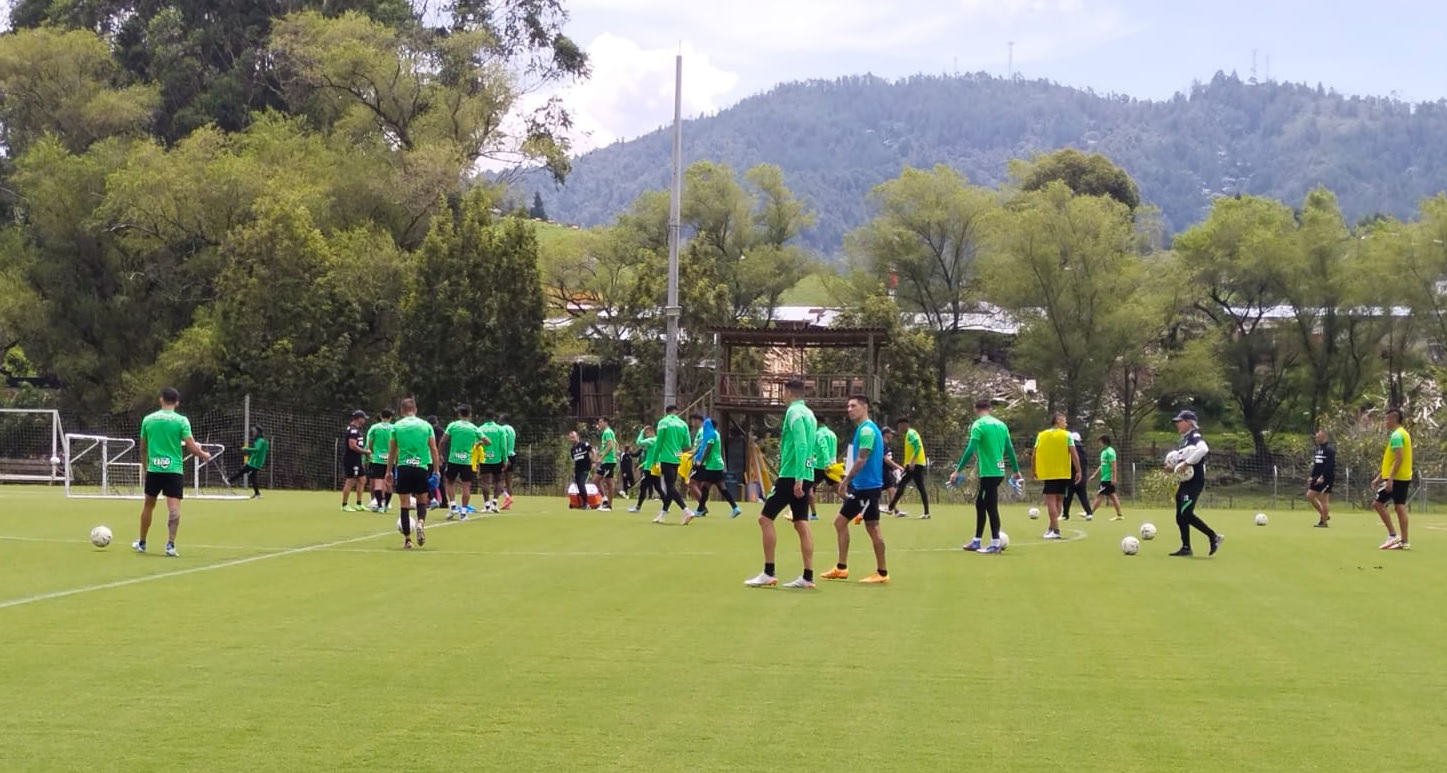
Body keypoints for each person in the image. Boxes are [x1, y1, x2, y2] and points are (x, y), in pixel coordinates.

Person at [745, 379, 818, 588]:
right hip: (805, 472)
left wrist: (798, 478)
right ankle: (807, 576)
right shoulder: (810, 414)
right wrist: (806, 474)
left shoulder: (794, 413)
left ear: (788, 392)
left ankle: (769, 572)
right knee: (801, 523)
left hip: (792, 475)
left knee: (764, 519)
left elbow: (802, 443)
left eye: (783, 392)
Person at [132, 387, 212, 556]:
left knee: (148, 505)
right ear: (177, 402)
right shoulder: (181, 421)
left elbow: (142, 447)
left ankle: (142, 542)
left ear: (161, 400)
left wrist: (145, 467)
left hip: (154, 468)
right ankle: (170, 545)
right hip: (174, 469)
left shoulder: (148, 419)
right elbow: (191, 447)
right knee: (174, 508)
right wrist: (204, 454)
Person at [822, 394, 891, 583]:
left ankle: (882, 572)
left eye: (853, 406)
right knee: (840, 522)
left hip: (868, 488)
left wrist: (844, 482)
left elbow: (862, 459)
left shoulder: (867, 430)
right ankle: (841, 567)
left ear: (864, 407)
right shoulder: (862, 429)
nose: (849, 409)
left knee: (872, 527)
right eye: (848, 406)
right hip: (862, 487)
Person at [949, 398, 1022, 554]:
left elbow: (970, 449)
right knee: (981, 504)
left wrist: (958, 470)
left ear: (976, 409)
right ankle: (976, 540)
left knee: (990, 506)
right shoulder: (1002, 425)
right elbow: (1010, 449)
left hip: (988, 472)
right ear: (990, 409)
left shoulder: (979, 425)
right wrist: (1016, 470)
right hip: (999, 471)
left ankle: (995, 543)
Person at [385, 398, 441, 550]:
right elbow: (434, 449)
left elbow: (392, 451)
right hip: (421, 468)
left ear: (402, 411)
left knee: (404, 505)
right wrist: (436, 470)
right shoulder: (426, 426)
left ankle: (408, 540)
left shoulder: (396, 427)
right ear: (415, 410)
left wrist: (389, 471)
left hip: (403, 468)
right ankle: (420, 523)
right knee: (422, 501)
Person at [1167, 409, 1223, 557]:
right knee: (1180, 515)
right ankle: (1186, 547)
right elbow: (1183, 459)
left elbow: (1203, 449)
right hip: (1185, 482)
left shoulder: (1194, 435)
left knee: (1186, 512)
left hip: (1194, 481)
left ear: (1189, 423)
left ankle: (1213, 536)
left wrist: (1187, 463)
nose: (1177, 424)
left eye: (1180, 421)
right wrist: (1173, 466)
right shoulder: (1184, 439)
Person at [1032, 413, 1079, 540]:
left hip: (1049, 472)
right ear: (1057, 421)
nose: (1066, 424)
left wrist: (1034, 469)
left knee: (1051, 501)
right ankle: (1051, 528)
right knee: (1059, 500)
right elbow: (1073, 453)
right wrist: (1078, 470)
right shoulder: (1067, 435)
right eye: (1064, 421)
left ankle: (1055, 529)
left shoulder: (1042, 435)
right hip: (1064, 472)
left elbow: (1034, 454)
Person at [1371, 408, 1413, 550]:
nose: (1385, 422)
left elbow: (1399, 458)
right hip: (1404, 476)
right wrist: (1379, 476)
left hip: (1396, 478)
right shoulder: (1404, 434)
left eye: (1386, 419)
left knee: (1378, 504)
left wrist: (1390, 479)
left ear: (1394, 419)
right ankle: (1404, 541)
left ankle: (1392, 535)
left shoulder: (1396, 436)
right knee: (1400, 507)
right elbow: (1391, 459)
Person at [651, 405, 696, 525]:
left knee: (670, 486)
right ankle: (662, 514)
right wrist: (677, 451)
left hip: (666, 458)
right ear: (676, 412)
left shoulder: (663, 422)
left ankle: (686, 510)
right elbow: (687, 444)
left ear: (666, 412)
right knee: (671, 487)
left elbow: (658, 442)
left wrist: (654, 459)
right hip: (677, 458)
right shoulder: (683, 424)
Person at [692, 415, 741, 518]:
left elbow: (707, 449)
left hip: (712, 465)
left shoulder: (712, 435)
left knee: (706, 488)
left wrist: (701, 461)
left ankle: (700, 510)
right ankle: (735, 507)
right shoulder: (716, 434)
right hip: (717, 464)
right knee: (721, 488)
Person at [441, 405, 483, 519]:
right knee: (466, 486)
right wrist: (477, 444)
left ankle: (453, 506)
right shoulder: (473, 428)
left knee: (449, 482)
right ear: (469, 415)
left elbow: (442, 441)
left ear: (459, 414)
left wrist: (439, 454)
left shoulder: (453, 425)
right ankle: (463, 512)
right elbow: (487, 441)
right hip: (467, 461)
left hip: (453, 459)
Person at [887, 417, 931, 519]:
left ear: (904, 425)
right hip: (917, 464)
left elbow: (918, 446)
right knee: (919, 487)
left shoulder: (911, 434)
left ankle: (890, 507)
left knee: (902, 484)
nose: (898, 429)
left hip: (914, 465)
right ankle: (926, 512)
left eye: (899, 426)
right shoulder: (909, 434)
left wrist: (911, 462)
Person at [808, 422, 840, 521]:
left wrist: (826, 463)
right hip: (833, 465)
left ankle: (813, 514)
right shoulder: (832, 434)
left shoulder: (818, 434)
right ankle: (854, 508)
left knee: (809, 487)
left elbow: (824, 448)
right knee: (839, 489)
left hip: (820, 465)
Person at [475, 410, 507, 513]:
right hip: (497, 458)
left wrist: (475, 459)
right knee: (498, 480)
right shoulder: (500, 429)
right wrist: (505, 459)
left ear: (485, 417)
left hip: (484, 458)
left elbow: (476, 444)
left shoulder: (480, 429)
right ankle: (495, 503)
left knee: (485, 481)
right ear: (494, 417)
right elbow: (503, 446)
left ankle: (486, 505)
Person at [364, 409, 395, 512]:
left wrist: (373, 452)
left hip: (377, 459)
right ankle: (386, 505)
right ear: (391, 417)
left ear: (381, 416)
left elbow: (370, 443)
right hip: (390, 460)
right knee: (389, 484)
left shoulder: (374, 428)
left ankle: (380, 506)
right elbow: (397, 444)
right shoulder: (394, 428)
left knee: (378, 484)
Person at [628, 426, 664, 512]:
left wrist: (641, 431)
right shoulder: (657, 440)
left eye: (647, 433)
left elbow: (639, 442)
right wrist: (643, 464)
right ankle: (666, 506)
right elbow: (652, 456)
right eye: (645, 433)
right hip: (654, 466)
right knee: (658, 487)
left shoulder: (651, 440)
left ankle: (638, 507)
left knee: (643, 487)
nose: (646, 435)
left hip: (649, 469)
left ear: (652, 431)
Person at [226, 425, 267, 499]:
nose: (253, 433)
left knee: (242, 471)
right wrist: (248, 452)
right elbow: (256, 451)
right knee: (252, 476)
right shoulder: (259, 440)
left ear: (258, 432)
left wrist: (247, 449)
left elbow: (257, 449)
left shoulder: (261, 441)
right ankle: (257, 494)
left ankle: (228, 480)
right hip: (254, 462)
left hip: (255, 462)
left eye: (254, 431)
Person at [1061, 430, 1095, 521]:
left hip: (1071, 476)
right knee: (1083, 496)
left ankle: (1065, 514)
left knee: (1067, 496)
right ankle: (1089, 512)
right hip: (1082, 477)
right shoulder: (1083, 450)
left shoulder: (1070, 448)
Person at [1089, 434, 1123, 521]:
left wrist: (1114, 477)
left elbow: (1113, 465)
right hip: (1104, 478)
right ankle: (1119, 515)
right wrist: (1094, 475)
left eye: (1100, 442)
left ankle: (1090, 513)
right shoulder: (1103, 452)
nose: (1099, 444)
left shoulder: (1110, 451)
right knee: (1112, 496)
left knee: (1099, 495)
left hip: (1108, 478)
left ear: (1105, 442)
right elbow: (1102, 465)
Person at [1307, 428, 1336, 528]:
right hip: (1316, 477)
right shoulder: (1318, 449)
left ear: (1324, 436)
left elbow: (1329, 465)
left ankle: (1323, 522)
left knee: (1323, 499)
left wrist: (1323, 476)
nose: (1316, 438)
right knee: (1310, 496)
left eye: (1318, 436)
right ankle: (1325, 515)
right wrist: (1312, 476)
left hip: (1326, 478)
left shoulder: (1329, 450)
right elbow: (1316, 464)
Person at [340, 410, 368, 511]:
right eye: (363, 418)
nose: (364, 420)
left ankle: (359, 504)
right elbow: (352, 446)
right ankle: (344, 504)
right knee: (350, 481)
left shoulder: (357, 429)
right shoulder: (353, 430)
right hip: (351, 459)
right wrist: (365, 451)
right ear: (358, 418)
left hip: (357, 459)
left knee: (362, 479)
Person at [593, 416, 618, 510]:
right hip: (609, 460)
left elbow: (610, 445)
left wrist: (602, 456)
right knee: (609, 482)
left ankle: (606, 501)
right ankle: (607, 504)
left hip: (607, 461)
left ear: (606, 422)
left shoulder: (607, 432)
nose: (599, 424)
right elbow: (616, 444)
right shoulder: (609, 432)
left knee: (596, 479)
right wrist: (614, 456)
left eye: (601, 422)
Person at [567, 430, 595, 509]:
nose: (572, 439)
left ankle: (586, 504)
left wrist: (593, 462)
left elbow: (593, 451)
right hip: (578, 470)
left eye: (573, 437)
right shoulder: (572, 449)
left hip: (585, 468)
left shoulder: (584, 445)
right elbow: (575, 460)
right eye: (571, 438)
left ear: (577, 437)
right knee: (579, 486)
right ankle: (581, 502)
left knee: (582, 484)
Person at [499, 413, 518, 510]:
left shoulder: (503, 429)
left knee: (497, 479)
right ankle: (508, 504)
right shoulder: (512, 429)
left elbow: (504, 442)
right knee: (508, 481)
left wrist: (504, 457)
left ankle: (506, 497)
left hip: (505, 456)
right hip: (512, 454)